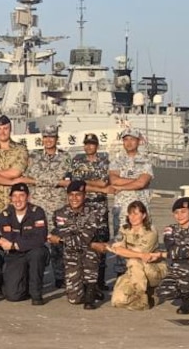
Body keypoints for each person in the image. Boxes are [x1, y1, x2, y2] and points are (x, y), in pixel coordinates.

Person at [22, 124, 70, 289]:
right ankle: (37, 278)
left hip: (58, 206)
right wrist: (55, 182)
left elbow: (69, 182)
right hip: (38, 208)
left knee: (58, 244)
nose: (48, 140)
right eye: (46, 137)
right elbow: (25, 179)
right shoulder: (33, 157)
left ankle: (59, 276)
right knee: (36, 244)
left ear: (57, 139)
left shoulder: (66, 158)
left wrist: (41, 181)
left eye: (52, 137)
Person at [68, 132, 113, 293]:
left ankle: (99, 282)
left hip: (100, 208)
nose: (89, 146)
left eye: (92, 144)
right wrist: (97, 185)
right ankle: (84, 281)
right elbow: (76, 183)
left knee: (101, 243)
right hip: (83, 207)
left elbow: (105, 181)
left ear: (97, 146)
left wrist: (86, 183)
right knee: (84, 241)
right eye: (86, 144)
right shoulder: (77, 161)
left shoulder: (104, 161)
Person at [48, 180, 102, 309]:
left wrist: (60, 240)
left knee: (91, 251)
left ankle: (91, 290)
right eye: (71, 195)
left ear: (84, 196)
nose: (74, 198)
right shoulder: (60, 214)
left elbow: (85, 238)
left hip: (88, 252)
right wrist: (64, 239)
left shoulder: (94, 213)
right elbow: (62, 233)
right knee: (74, 300)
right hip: (71, 255)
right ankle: (82, 287)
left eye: (78, 195)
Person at [105, 201, 166, 311]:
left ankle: (142, 298)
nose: (132, 217)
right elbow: (115, 247)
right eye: (130, 214)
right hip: (134, 271)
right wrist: (135, 253)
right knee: (117, 301)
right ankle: (150, 296)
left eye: (136, 214)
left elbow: (141, 256)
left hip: (153, 270)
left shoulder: (150, 231)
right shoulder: (124, 229)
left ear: (143, 215)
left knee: (134, 260)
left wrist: (126, 251)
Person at [108, 127, 153, 277]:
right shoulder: (116, 160)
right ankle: (121, 277)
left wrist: (122, 185)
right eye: (126, 139)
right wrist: (135, 181)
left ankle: (142, 275)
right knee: (120, 241)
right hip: (121, 209)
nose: (128, 142)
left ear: (138, 141)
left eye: (132, 139)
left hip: (141, 210)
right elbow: (113, 180)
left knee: (143, 242)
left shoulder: (146, 160)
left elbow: (142, 183)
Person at [0, 183, 48, 305]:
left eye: (22, 196)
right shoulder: (5, 215)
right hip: (15, 255)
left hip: (32, 251)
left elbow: (40, 238)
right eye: (15, 196)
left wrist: (15, 244)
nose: (18, 200)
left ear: (28, 197)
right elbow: (8, 237)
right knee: (13, 296)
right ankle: (21, 282)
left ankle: (36, 294)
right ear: (10, 198)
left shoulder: (37, 212)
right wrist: (26, 240)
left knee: (38, 252)